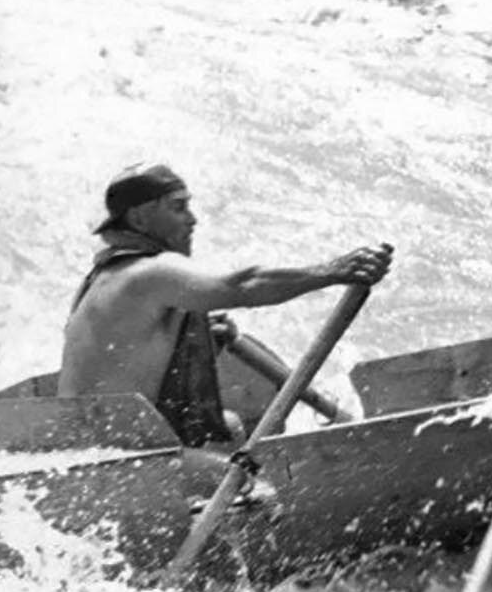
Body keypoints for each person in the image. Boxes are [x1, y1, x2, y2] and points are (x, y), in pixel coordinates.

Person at [59, 163, 391, 484]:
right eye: (178, 208)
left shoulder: (104, 277)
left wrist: (198, 342)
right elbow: (242, 286)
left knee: (230, 427)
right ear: (140, 217)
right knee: (256, 489)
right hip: (118, 462)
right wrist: (333, 271)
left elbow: (133, 358)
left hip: (87, 452)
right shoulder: (150, 272)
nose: (193, 220)